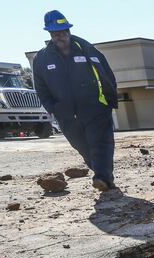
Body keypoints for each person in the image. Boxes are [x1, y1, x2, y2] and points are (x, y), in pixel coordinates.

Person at [32, 10, 119, 191]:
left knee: (100, 143)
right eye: (56, 33)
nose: (60, 36)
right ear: (50, 34)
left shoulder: (86, 48)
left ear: (68, 30)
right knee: (83, 147)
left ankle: (102, 177)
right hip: (66, 114)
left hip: (95, 108)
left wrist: (110, 100)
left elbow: (106, 74)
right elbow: (40, 87)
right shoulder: (42, 58)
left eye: (63, 31)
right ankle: (104, 176)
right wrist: (53, 108)